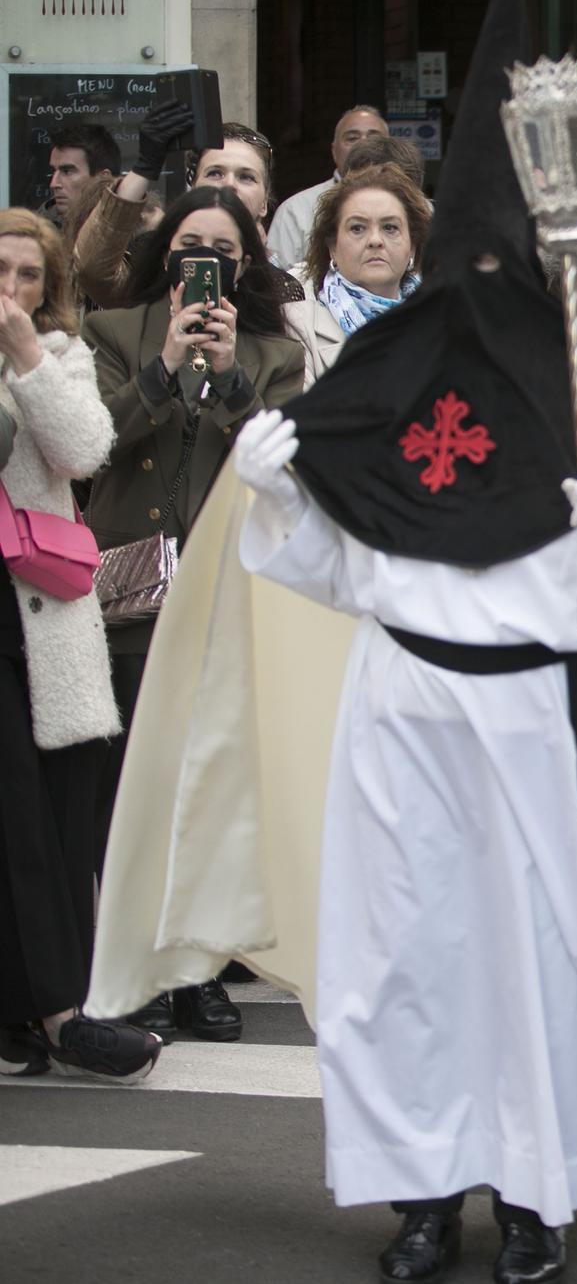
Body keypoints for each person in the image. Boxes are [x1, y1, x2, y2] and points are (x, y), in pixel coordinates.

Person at [85, 0, 577, 1274]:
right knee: (405, 958)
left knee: (555, 962)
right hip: (402, 709)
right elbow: (339, 578)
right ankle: (417, 1189)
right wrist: (286, 499)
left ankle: (535, 1189)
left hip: (552, 711)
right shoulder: (384, 391)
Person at [82, 184, 305, 1041]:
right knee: (134, 789)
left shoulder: (275, 351)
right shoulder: (112, 333)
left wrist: (230, 381)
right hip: (129, 591)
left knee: (212, 786)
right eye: (187, 247)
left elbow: (284, 459)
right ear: (165, 256)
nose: (202, 264)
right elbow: (92, 445)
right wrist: (164, 365)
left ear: (244, 264)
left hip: (228, 589)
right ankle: (135, 966)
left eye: (221, 249)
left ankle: (200, 971)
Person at [0, 208, 160, 1082]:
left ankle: (57, 1003)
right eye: (1, 272)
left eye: (30, 275)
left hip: (36, 610)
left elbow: (86, 447)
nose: (12, 290)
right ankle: (52, 1012)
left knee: (53, 814)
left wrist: (23, 353)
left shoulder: (57, 356)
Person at [78, 116, 302, 310]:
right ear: (194, 187)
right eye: (215, 173)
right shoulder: (149, 257)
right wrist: (144, 168)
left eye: (246, 177)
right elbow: (92, 269)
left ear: (264, 202)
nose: (229, 185)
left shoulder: (281, 289)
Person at [282, 164, 429, 385]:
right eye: (357, 228)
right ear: (332, 247)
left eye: (390, 228)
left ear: (413, 247)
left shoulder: (442, 321)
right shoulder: (297, 324)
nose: (375, 240)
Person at [265, 105, 392, 269]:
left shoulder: (418, 207)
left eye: (374, 138)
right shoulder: (295, 210)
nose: (364, 145)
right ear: (334, 151)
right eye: (352, 138)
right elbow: (276, 282)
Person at [44, 124, 119, 225]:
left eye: (67, 171)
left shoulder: (133, 230)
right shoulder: (37, 230)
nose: (53, 184)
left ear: (103, 178)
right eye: (53, 172)